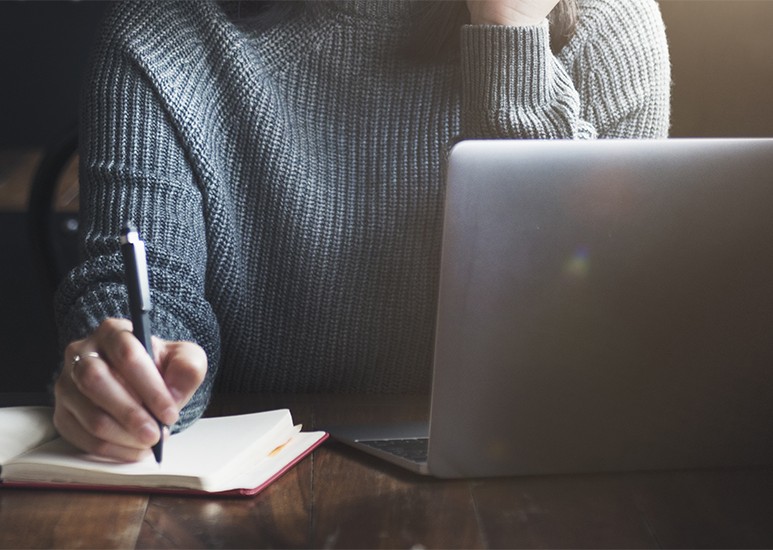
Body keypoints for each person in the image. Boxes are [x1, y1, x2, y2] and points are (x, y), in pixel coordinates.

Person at [53, 0, 671, 461]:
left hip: (522, 484)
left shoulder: (603, 26)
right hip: (253, 493)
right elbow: (142, 285)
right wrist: (131, 370)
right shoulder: (162, 36)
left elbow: (598, 358)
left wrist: (512, 36)